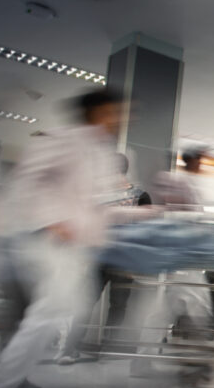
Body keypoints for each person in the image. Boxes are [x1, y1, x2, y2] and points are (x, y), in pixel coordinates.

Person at [0, 90, 125, 388]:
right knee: (49, 314)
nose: (120, 120)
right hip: (48, 242)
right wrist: (53, 222)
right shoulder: (61, 139)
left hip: (75, 249)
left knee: (66, 310)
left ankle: (2, 383)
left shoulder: (101, 153)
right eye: (116, 113)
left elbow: (95, 205)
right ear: (99, 112)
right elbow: (26, 182)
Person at [56, 152, 151, 365]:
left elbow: (145, 230)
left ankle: (99, 349)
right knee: (90, 303)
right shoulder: (103, 195)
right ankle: (74, 348)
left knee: (114, 306)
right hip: (103, 257)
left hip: (122, 258)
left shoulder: (138, 195)